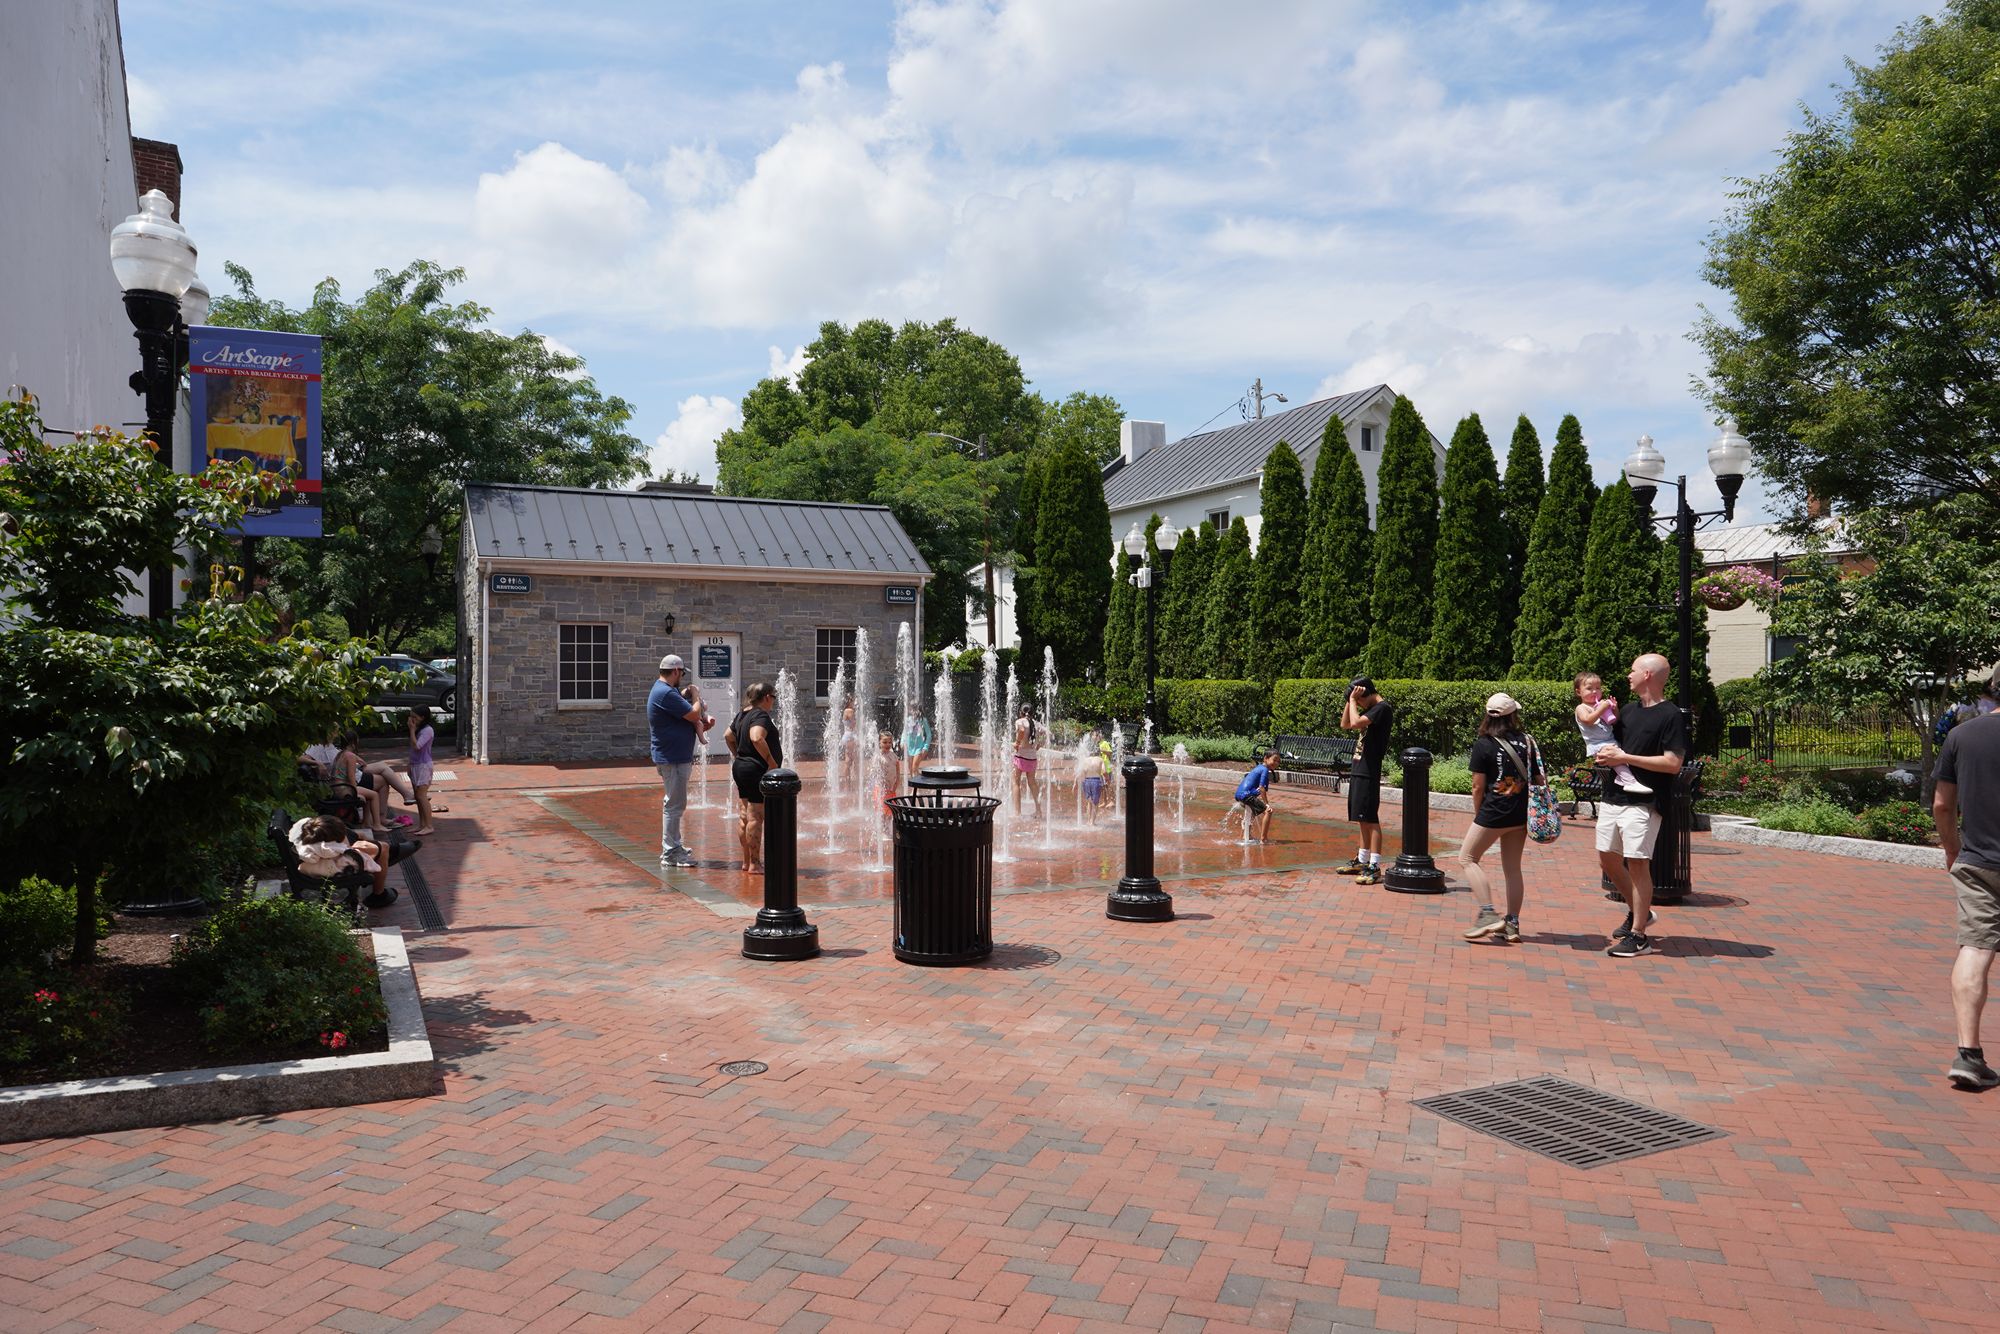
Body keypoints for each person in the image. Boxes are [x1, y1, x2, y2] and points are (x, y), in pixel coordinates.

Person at [1590, 652, 1688, 959]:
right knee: (1607, 860)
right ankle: (1639, 911)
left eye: (1633, 670)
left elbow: (1673, 763)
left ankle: (1639, 936)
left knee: (1637, 863)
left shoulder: (1671, 715)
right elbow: (1614, 746)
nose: (1628, 675)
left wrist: (1625, 758)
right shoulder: (1629, 712)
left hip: (1645, 801)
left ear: (1647, 675)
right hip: (1613, 796)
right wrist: (1605, 754)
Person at [1934, 669, 2000, 1089]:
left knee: (1975, 949)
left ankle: (1968, 1054)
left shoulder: (1962, 735)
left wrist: (1952, 849)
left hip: (1978, 863)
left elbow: (1942, 805)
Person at [1461, 694, 1543, 944]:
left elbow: (1477, 786)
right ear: (1512, 715)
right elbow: (1539, 779)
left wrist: (1479, 815)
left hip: (1494, 812)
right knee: (1512, 869)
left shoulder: (1483, 744)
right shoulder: (1527, 741)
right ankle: (1512, 924)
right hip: (1520, 814)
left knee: (1467, 858)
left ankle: (1487, 913)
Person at [1335, 677, 1395, 886]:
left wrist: (1353, 700)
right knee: (1361, 817)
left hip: (1369, 770)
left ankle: (1374, 865)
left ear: (1367, 693)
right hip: (1359, 768)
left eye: (1360, 701)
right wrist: (1350, 699)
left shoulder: (1382, 708)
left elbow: (1356, 723)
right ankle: (1362, 860)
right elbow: (1345, 724)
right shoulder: (1370, 708)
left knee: (1370, 818)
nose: (1358, 706)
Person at [287, 813, 410, 910]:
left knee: (362, 837)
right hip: (345, 860)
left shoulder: (312, 841)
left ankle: (388, 853)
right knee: (383, 847)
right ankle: (379, 894)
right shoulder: (329, 850)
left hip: (334, 847)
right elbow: (344, 848)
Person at [725, 682, 783, 874]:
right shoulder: (760, 715)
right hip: (756, 770)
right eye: (773, 697)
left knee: (744, 815)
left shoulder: (742, 714)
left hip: (742, 768)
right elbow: (756, 737)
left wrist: (738, 755)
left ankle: (746, 861)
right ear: (766, 697)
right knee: (756, 816)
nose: (773, 701)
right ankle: (755, 864)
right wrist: (771, 763)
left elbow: (728, 736)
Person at [649, 654, 700, 867]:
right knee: (674, 805)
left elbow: (678, 702)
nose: (682, 677)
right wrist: (695, 695)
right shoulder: (665, 693)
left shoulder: (665, 691)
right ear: (676, 671)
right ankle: (670, 853)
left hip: (673, 756)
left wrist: (685, 693)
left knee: (674, 803)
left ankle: (674, 846)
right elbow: (693, 714)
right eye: (682, 674)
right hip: (673, 758)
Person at [1573, 673, 1646, 793]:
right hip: (1597, 744)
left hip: (1610, 740)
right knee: (1617, 757)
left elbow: (1614, 721)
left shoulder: (1600, 705)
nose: (1594, 691)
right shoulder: (1581, 708)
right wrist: (1602, 708)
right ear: (1578, 692)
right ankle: (1630, 782)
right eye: (1589, 688)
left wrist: (1614, 709)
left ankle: (1621, 778)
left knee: (1623, 757)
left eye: (1598, 688)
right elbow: (1588, 720)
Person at [1227, 750, 1279, 841]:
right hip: (1246, 795)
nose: (1276, 763)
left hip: (1240, 794)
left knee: (1251, 812)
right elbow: (1261, 788)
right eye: (1274, 760)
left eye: (1278, 761)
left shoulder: (1259, 768)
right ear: (1265, 758)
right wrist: (1267, 804)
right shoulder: (1264, 770)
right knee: (1268, 812)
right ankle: (1264, 839)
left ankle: (1246, 835)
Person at [405, 705, 438, 836]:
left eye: (415, 717)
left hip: (424, 765)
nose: (412, 720)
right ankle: (422, 824)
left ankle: (429, 825)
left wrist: (412, 730)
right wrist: (409, 764)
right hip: (415, 764)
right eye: (411, 716)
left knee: (421, 796)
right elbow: (412, 750)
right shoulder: (418, 729)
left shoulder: (427, 730)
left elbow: (417, 746)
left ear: (423, 717)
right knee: (417, 796)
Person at [1011, 703, 1039, 814]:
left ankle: (1017, 813)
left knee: (1015, 782)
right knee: (1032, 783)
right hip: (1032, 759)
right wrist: (1039, 744)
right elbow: (1048, 733)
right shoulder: (1036, 723)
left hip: (1021, 757)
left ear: (1021, 712)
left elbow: (1022, 730)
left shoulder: (1020, 721)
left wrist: (1017, 743)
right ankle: (1039, 811)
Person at [903, 709, 933, 779]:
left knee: (914, 767)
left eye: (916, 709)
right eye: (912, 709)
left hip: (919, 747)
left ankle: (916, 784)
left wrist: (926, 747)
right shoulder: (908, 720)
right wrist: (902, 742)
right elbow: (904, 732)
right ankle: (917, 782)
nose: (914, 712)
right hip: (909, 748)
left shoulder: (923, 720)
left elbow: (929, 734)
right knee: (911, 769)